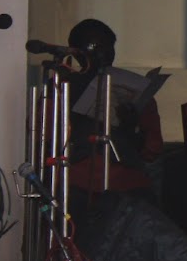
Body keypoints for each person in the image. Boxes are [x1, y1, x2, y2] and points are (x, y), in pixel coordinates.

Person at [66, 18, 164, 211]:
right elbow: (45, 138)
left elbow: (153, 149)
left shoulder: (135, 91)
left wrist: (131, 127)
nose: (103, 53)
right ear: (76, 52)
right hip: (77, 181)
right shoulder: (61, 89)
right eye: (93, 47)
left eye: (109, 46)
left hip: (126, 183)